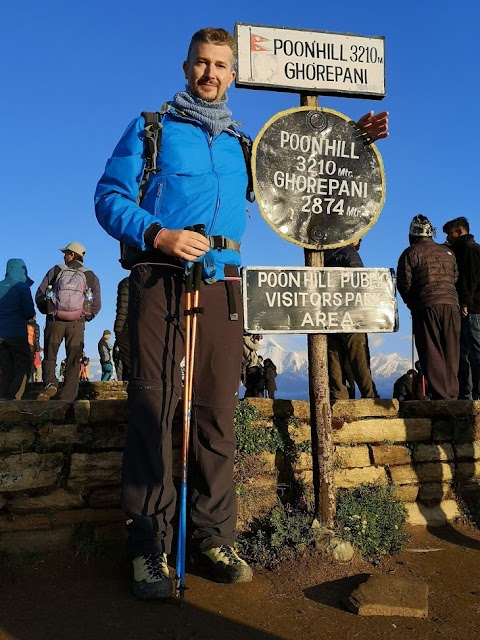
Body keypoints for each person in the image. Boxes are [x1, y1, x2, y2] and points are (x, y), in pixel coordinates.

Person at [94, 26, 389, 600]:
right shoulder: (151, 129)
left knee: (214, 412)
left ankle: (211, 535)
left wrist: (356, 139)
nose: (210, 73)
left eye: (220, 65)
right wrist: (158, 233)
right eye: (201, 63)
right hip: (159, 278)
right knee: (155, 406)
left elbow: (302, 171)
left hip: (226, 285)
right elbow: (108, 197)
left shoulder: (245, 145)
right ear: (186, 68)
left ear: (233, 74)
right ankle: (148, 545)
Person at [397, 215, 460, 400]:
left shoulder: (410, 253)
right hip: (451, 305)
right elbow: (455, 277)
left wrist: (412, 303)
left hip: (426, 306)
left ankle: (442, 398)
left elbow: (404, 284)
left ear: (412, 234)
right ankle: (453, 396)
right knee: (452, 352)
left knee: (432, 353)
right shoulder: (447, 253)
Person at [35, 242, 101, 402]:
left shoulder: (56, 270)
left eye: (66, 253)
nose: (64, 256)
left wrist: (49, 311)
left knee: (50, 356)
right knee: (73, 359)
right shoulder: (91, 275)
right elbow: (97, 304)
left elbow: (40, 294)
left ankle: (50, 383)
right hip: (76, 323)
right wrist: (85, 316)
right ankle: (68, 397)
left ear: (72, 254)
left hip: (54, 321)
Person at [324, 239, 378, 401]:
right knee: (359, 358)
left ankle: (339, 397)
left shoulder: (323, 255)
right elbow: (360, 281)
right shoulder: (349, 253)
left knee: (333, 358)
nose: (360, 240)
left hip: (327, 315)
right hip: (350, 314)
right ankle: (370, 398)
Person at [442, 217, 480, 399]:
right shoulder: (462, 250)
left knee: (474, 350)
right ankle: (467, 393)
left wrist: (465, 302)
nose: (448, 238)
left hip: (473, 308)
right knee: (465, 352)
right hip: (469, 306)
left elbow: (471, 278)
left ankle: (476, 393)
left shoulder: (470, 250)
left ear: (459, 232)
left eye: (450, 234)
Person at [0, 259, 35, 400]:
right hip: (17, 333)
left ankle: (2, 399)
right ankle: (14, 396)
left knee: (5, 368)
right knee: (23, 365)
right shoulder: (22, 287)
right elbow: (28, 312)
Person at [114, 276, 130, 381]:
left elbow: (122, 309)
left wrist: (118, 330)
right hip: (147, 330)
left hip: (127, 329)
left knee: (129, 366)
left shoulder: (126, 283)